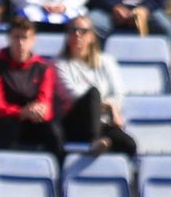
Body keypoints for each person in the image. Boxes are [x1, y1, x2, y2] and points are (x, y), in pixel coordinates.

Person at [0, 15, 63, 158]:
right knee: (9, 128)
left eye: (25, 37)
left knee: (53, 130)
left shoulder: (44, 68)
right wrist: (21, 112)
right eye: (16, 37)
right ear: (9, 38)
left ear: (33, 40)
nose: (20, 43)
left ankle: (58, 170)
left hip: (32, 121)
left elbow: (45, 102)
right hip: (2, 121)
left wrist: (38, 110)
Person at [55, 13, 138, 154]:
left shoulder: (106, 61)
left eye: (83, 31)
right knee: (93, 93)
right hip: (75, 123)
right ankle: (96, 142)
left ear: (92, 36)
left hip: (102, 122)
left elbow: (119, 92)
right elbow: (73, 96)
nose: (77, 35)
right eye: (72, 30)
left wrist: (112, 104)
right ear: (67, 36)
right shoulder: (58, 64)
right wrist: (110, 105)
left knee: (129, 144)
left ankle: (102, 147)